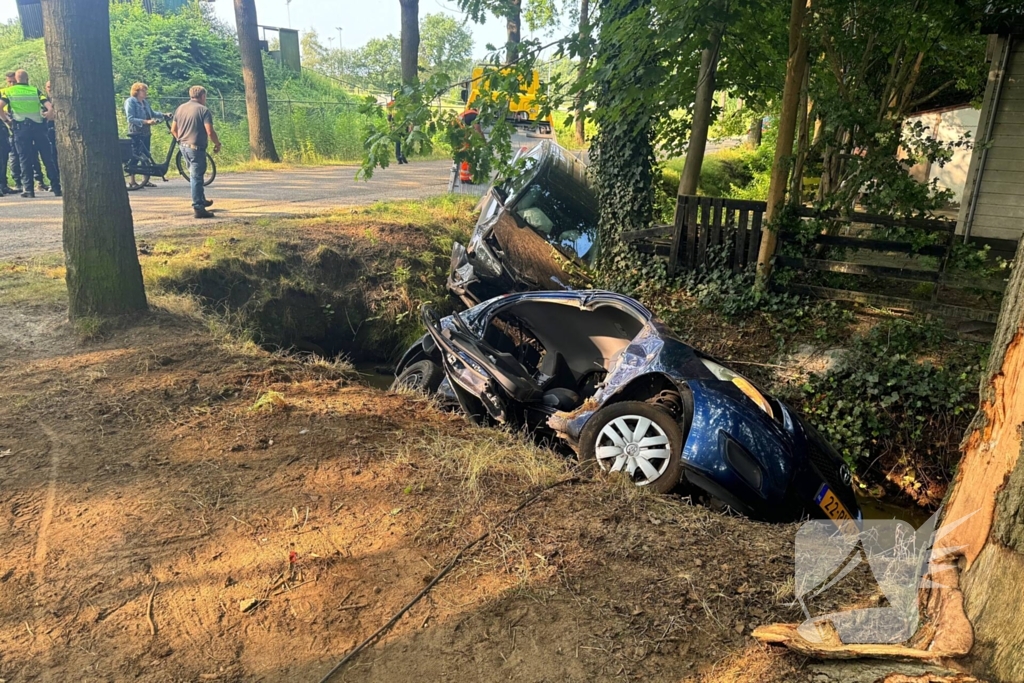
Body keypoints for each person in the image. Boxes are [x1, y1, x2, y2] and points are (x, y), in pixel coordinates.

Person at [0, 69, 60, 198]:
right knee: (47, 157)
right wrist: (47, 115)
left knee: (24, 158)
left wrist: (7, 121)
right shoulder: (34, 90)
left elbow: (0, 106)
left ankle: (29, 189)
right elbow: (49, 106)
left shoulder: (9, 92)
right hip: (38, 127)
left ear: (16, 80)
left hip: (21, 128)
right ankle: (56, 187)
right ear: (27, 79)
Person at [170, 85, 219, 218]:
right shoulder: (203, 110)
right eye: (205, 97)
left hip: (183, 147)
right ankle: (198, 207)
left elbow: (173, 130)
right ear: (203, 96)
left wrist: (180, 140)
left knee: (195, 174)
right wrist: (217, 143)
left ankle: (201, 199)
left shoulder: (180, 108)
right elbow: (209, 131)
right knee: (196, 177)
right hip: (196, 148)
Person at [123, 82, 166, 190]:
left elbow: (152, 113)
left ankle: (145, 180)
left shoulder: (145, 102)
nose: (146, 92)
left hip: (146, 132)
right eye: (144, 90)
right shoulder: (130, 101)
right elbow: (130, 118)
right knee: (136, 155)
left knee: (146, 155)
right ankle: (132, 181)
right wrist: (146, 121)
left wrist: (164, 115)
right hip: (136, 132)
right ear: (137, 91)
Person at [386, 99, 408, 164]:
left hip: (396, 127)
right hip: (404, 126)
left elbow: (389, 118)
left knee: (398, 143)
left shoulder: (391, 105)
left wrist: (390, 127)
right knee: (406, 141)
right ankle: (403, 155)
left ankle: (399, 157)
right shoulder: (404, 104)